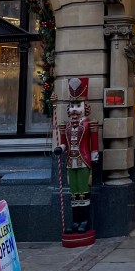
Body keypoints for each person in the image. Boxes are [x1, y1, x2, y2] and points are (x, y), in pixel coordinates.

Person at [56, 76, 99, 233]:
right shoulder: (65, 125)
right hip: (70, 162)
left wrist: (95, 154)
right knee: (74, 194)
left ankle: (85, 222)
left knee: (83, 192)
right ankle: (75, 221)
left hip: (84, 161)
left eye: (77, 105)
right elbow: (63, 143)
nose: (74, 109)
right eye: (72, 105)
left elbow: (93, 142)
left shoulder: (89, 123)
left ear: (85, 106)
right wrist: (59, 149)